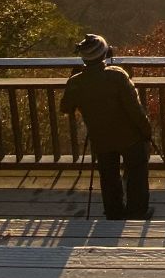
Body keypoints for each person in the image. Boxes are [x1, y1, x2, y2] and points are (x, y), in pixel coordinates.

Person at [60, 34, 153, 220]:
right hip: (129, 136)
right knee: (136, 170)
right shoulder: (117, 76)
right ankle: (136, 211)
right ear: (104, 54)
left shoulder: (76, 82)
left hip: (100, 137)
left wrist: (73, 78)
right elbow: (134, 109)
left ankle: (113, 211)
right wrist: (146, 130)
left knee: (108, 175)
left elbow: (65, 108)